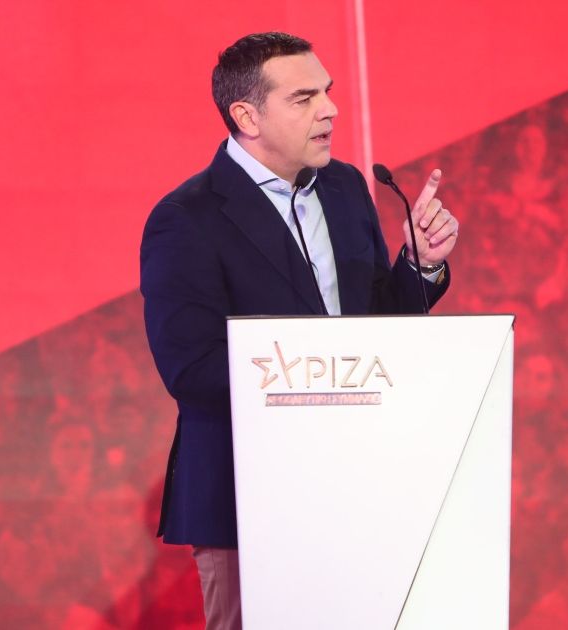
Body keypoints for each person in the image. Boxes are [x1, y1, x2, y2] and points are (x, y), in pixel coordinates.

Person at [139, 32, 459, 629]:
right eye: (304, 98)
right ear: (247, 116)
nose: (330, 110)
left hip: (358, 484)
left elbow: (377, 329)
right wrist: (314, 376)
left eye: (327, 93)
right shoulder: (186, 219)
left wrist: (421, 265)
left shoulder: (345, 188)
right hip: (248, 495)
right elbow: (191, 369)